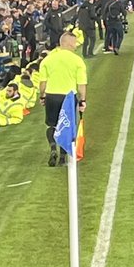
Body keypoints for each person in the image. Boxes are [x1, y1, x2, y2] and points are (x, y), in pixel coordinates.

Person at [39, 31, 87, 167]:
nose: (76, 46)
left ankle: (53, 147)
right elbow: (82, 84)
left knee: (52, 125)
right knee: (67, 126)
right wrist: (83, 100)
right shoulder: (77, 61)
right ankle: (63, 158)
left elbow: (42, 82)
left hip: (51, 96)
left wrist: (42, 96)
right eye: (74, 43)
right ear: (69, 43)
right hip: (68, 97)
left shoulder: (48, 60)